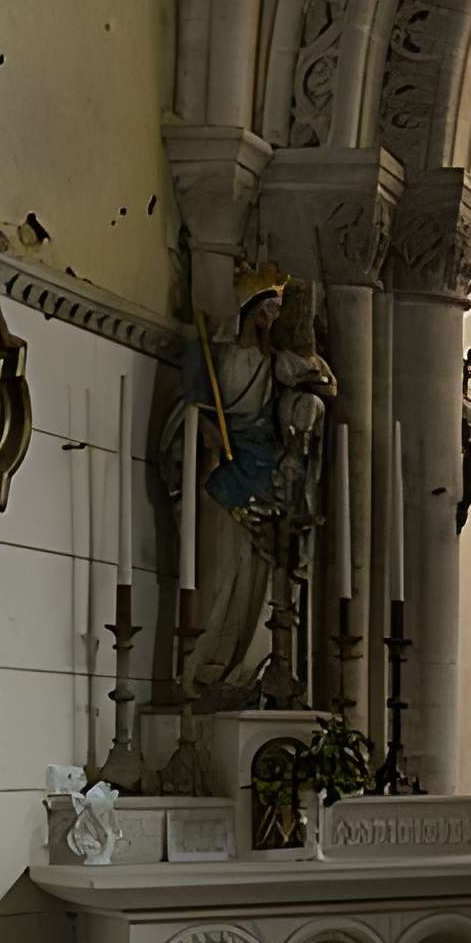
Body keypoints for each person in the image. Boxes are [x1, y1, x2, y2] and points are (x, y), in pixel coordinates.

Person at [160, 262, 334, 699]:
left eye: (278, 310)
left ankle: (242, 669)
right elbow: (189, 409)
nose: (273, 318)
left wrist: (311, 375)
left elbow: (327, 385)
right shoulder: (214, 356)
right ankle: (201, 666)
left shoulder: (275, 363)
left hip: (265, 471)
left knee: (256, 582)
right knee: (220, 575)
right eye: (268, 309)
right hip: (224, 473)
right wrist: (205, 430)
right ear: (249, 309)